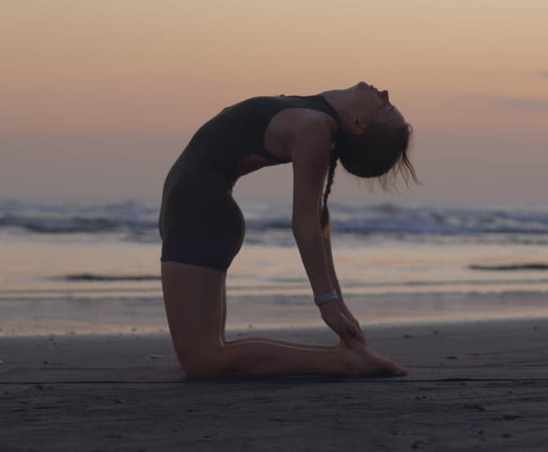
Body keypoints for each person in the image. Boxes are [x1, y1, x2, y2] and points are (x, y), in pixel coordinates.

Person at [159, 81, 417, 378]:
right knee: (207, 354)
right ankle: (347, 357)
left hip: (200, 216)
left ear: (358, 124)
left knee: (203, 360)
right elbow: (319, 228)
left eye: (384, 107)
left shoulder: (314, 127)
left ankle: (346, 361)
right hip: (194, 214)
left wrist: (328, 303)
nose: (384, 93)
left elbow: (306, 223)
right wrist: (338, 303)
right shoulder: (315, 114)